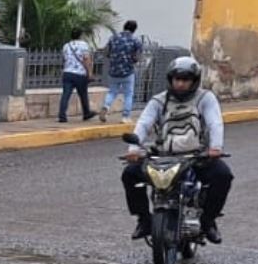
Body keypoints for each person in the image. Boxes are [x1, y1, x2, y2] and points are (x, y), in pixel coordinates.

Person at [122, 55, 233, 244]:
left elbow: (215, 122)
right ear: (171, 79)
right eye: (177, 79)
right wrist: (133, 149)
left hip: (196, 156)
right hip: (162, 156)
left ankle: (208, 221)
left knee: (223, 175)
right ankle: (144, 220)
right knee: (130, 174)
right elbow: (144, 123)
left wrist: (215, 147)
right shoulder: (159, 100)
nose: (180, 84)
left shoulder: (205, 98)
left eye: (186, 80)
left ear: (194, 81)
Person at [100, 20, 144, 121]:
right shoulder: (135, 40)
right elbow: (138, 57)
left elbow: (105, 52)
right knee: (128, 94)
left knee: (112, 92)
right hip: (127, 72)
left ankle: (106, 107)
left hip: (113, 71)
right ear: (134, 29)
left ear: (124, 27)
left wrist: (113, 57)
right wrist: (133, 60)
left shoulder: (113, 38)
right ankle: (125, 116)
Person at [59, 28, 95, 123]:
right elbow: (86, 59)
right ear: (80, 35)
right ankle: (86, 113)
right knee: (83, 94)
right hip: (80, 74)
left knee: (65, 95)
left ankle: (62, 115)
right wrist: (90, 73)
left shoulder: (66, 46)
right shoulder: (84, 45)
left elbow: (64, 59)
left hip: (68, 73)